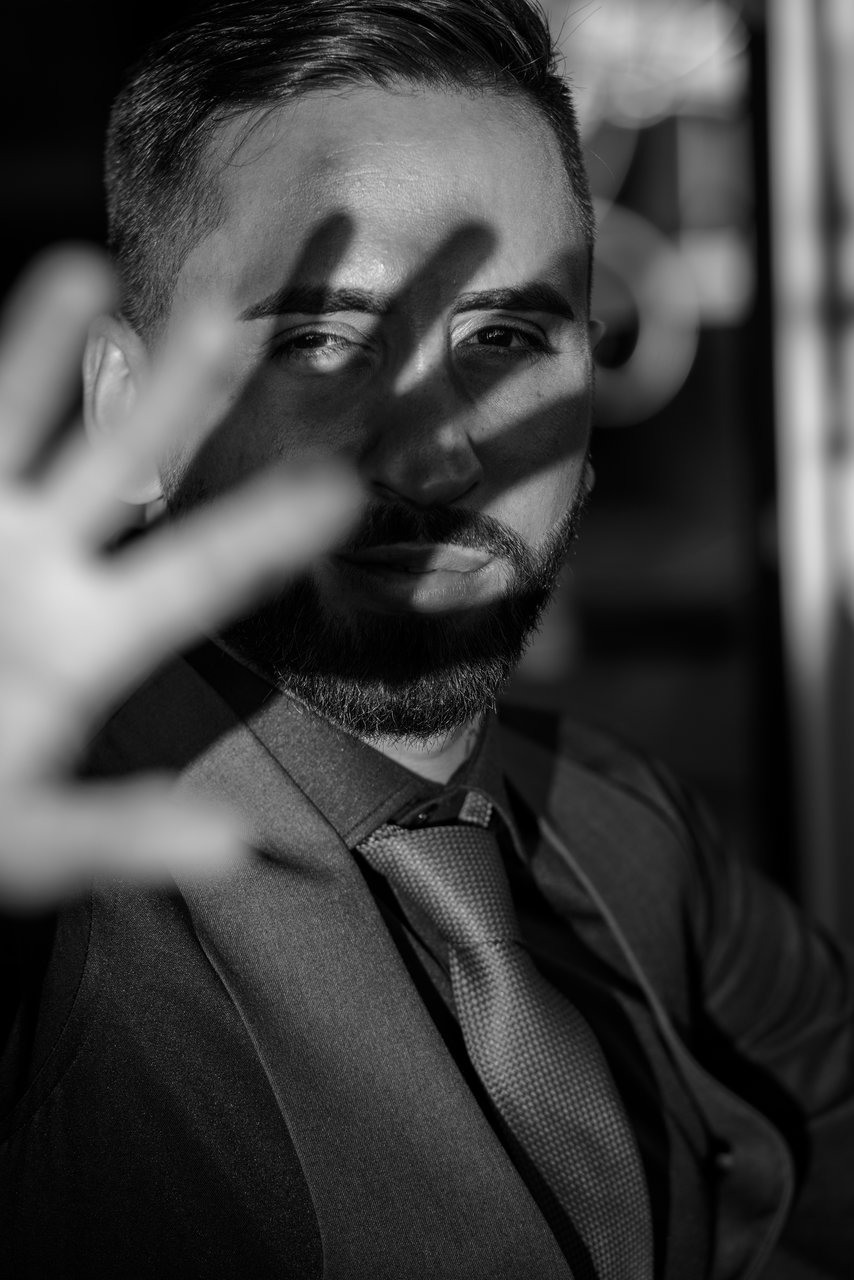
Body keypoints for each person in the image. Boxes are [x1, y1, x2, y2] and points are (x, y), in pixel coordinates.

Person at [0, 2, 851, 1277]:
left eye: (503, 338)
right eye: (322, 341)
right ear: (130, 410)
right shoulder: (52, 885)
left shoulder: (629, 831)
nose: (436, 452)